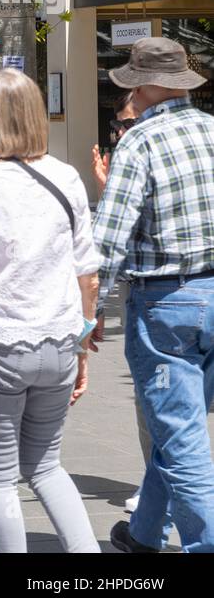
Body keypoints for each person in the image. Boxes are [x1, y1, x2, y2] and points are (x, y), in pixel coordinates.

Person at [0, 68, 101, 553]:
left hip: (2, 349)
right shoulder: (67, 176)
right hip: (60, 345)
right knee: (47, 466)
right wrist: (84, 347)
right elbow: (87, 275)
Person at [93, 36, 214, 553]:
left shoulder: (139, 142)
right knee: (178, 431)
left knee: (182, 440)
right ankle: (143, 536)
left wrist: (88, 311)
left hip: (167, 303)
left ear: (146, 85)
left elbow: (108, 240)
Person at [91, 90, 149, 516]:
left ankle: (158, 492)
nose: (119, 134)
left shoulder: (145, 151)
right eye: (116, 127)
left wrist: (91, 311)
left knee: (157, 397)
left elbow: (111, 241)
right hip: (151, 290)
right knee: (163, 401)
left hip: (161, 296)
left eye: (125, 125)